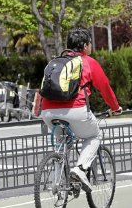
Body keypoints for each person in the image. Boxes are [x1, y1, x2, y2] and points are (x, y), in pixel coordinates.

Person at [41, 27, 122, 193]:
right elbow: (105, 87)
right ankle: (80, 169)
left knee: (63, 141)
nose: (91, 46)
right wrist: (115, 107)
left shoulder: (56, 62)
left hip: (47, 112)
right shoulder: (88, 62)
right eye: (90, 43)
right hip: (75, 110)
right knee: (95, 135)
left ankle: (57, 184)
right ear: (85, 46)